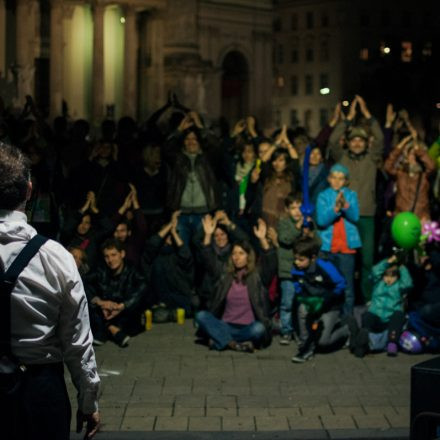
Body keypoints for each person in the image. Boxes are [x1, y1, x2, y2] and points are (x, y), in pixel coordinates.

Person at [0, 142, 100, 439]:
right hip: (41, 391)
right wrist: (88, 399)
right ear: (29, 191)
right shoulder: (56, 257)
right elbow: (77, 340)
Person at [328, 95, 384, 303]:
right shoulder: (342, 158)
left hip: (367, 215)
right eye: (354, 140)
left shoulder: (372, 158)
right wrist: (348, 120)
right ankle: (345, 298)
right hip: (346, 216)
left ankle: (368, 297)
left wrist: (367, 114)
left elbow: (379, 138)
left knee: (368, 260)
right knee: (346, 260)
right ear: (349, 143)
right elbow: (333, 141)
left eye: (361, 140)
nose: (358, 143)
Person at [195, 219, 276, 352]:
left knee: (259, 329)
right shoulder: (225, 273)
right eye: (233, 254)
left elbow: (270, 263)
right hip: (225, 325)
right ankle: (234, 343)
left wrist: (263, 240)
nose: (236, 257)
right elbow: (208, 259)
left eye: (241, 253)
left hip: (247, 327)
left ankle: (220, 340)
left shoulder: (257, 275)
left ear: (248, 256)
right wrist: (208, 235)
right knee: (201, 316)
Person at [290, 236, 348, 363]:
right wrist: (309, 301)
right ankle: (305, 346)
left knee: (323, 342)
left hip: (331, 305)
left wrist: (326, 300)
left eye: (301, 259)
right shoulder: (296, 269)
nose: (297, 262)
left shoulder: (325, 266)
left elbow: (341, 283)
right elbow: (298, 288)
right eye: (295, 258)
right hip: (314, 302)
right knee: (301, 308)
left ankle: (346, 329)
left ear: (313, 258)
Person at [316, 163, 361, 316]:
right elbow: (321, 221)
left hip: (346, 250)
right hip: (327, 249)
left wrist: (345, 205)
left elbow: (355, 217)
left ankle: (347, 322)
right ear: (329, 179)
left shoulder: (351, 195)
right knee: (328, 286)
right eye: (334, 178)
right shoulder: (323, 196)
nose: (337, 181)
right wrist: (335, 209)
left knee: (348, 288)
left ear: (346, 181)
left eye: (341, 179)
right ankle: (328, 319)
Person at [85, 238, 147, 347]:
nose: (110, 260)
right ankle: (112, 329)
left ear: (122, 254)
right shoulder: (100, 269)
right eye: (107, 256)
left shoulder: (133, 270)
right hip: (105, 310)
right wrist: (100, 302)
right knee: (88, 305)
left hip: (125, 311)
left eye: (114, 255)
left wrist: (122, 306)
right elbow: (82, 282)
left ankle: (106, 330)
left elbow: (142, 289)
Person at [349, 255, 413, 358]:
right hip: (377, 316)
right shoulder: (378, 284)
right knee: (368, 316)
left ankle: (392, 343)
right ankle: (363, 339)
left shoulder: (399, 286)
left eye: (393, 276)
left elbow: (408, 283)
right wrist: (388, 261)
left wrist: (401, 266)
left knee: (398, 315)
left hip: (390, 320)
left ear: (397, 277)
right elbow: (374, 272)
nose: (389, 279)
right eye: (386, 276)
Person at [384, 134, 435, 220]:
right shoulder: (401, 173)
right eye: (410, 154)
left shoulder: (424, 175)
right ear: (406, 156)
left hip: (421, 219)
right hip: (402, 218)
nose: (413, 157)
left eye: (416, 155)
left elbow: (431, 166)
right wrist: (400, 146)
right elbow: (387, 166)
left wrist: (418, 150)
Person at [276, 192, 303, 345]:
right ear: (287, 209)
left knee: (301, 304)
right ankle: (286, 331)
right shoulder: (284, 223)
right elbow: (285, 239)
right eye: (293, 208)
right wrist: (297, 228)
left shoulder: (308, 222)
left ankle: (300, 331)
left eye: (300, 207)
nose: (297, 211)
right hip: (288, 271)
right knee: (287, 303)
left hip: (303, 272)